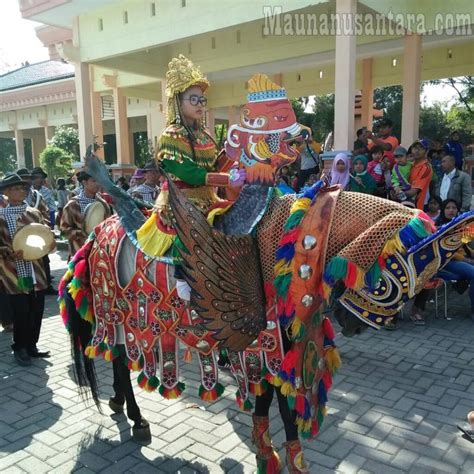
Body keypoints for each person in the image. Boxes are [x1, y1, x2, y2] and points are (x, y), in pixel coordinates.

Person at [0, 173, 54, 365]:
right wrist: (7, 251)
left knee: (36, 309)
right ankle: (20, 347)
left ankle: (32, 345)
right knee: (20, 311)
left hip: (35, 270)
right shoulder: (1, 216)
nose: (21, 191)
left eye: (23, 188)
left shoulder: (34, 213)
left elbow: (45, 235)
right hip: (13, 273)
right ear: (6, 192)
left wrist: (48, 244)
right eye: (16, 188)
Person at [412, 199, 474, 325]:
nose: (451, 210)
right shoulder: (437, 227)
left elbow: (465, 247)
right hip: (446, 262)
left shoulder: (461, 226)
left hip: (462, 260)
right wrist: (466, 260)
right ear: (443, 210)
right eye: (448, 208)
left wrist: (471, 255)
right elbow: (446, 252)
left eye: (454, 208)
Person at [60, 171, 111, 258]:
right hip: (79, 254)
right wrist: (83, 234)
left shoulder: (103, 204)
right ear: (84, 182)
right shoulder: (73, 205)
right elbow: (64, 230)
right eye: (94, 181)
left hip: (99, 254)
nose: (98, 183)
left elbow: (109, 225)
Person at [403, 141, 432, 210]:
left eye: (421, 148)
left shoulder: (426, 168)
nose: (417, 150)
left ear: (426, 151)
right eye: (415, 148)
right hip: (404, 204)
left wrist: (398, 193)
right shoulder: (410, 164)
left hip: (416, 208)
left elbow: (413, 192)